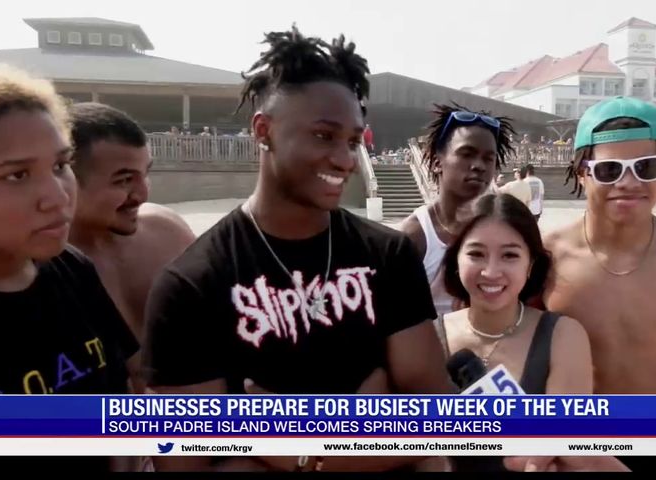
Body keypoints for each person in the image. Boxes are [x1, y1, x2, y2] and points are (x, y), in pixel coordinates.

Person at [142, 26, 454, 472]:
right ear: (263, 130)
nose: (345, 158)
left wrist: (298, 452)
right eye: (324, 136)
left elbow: (437, 420)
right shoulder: (191, 285)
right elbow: (187, 465)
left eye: (352, 140)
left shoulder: (388, 256)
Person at [0, 24, 138, 471]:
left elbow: (120, 407)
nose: (57, 195)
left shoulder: (72, 270)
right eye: (17, 175)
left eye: (60, 165)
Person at [537, 96, 656, 472]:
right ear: (581, 172)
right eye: (609, 170)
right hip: (565, 444)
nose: (629, 183)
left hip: (655, 443)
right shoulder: (543, 259)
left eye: (646, 167)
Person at [436, 194, 592, 472]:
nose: (491, 271)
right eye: (476, 254)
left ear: (531, 263)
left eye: (509, 255)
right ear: (456, 259)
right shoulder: (428, 339)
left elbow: (567, 451)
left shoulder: (563, 337)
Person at [68, 102, 196, 351]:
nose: (143, 194)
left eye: (145, 174)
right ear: (67, 180)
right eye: (124, 180)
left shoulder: (168, 232)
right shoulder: (43, 270)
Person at [398, 103, 517, 318]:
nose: (478, 165)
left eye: (488, 158)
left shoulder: (505, 229)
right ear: (436, 162)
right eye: (467, 154)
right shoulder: (415, 236)